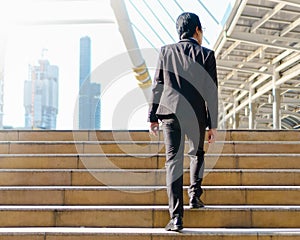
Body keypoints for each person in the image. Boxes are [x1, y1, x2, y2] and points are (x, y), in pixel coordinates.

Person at [148, 12, 218, 231]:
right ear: (197, 30)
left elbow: (157, 85)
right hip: (195, 114)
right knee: (196, 154)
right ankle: (195, 196)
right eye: (202, 30)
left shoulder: (165, 52)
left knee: (173, 162)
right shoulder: (207, 55)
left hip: (169, 112)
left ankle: (176, 217)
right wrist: (212, 124)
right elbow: (211, 93)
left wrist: (152, 117)